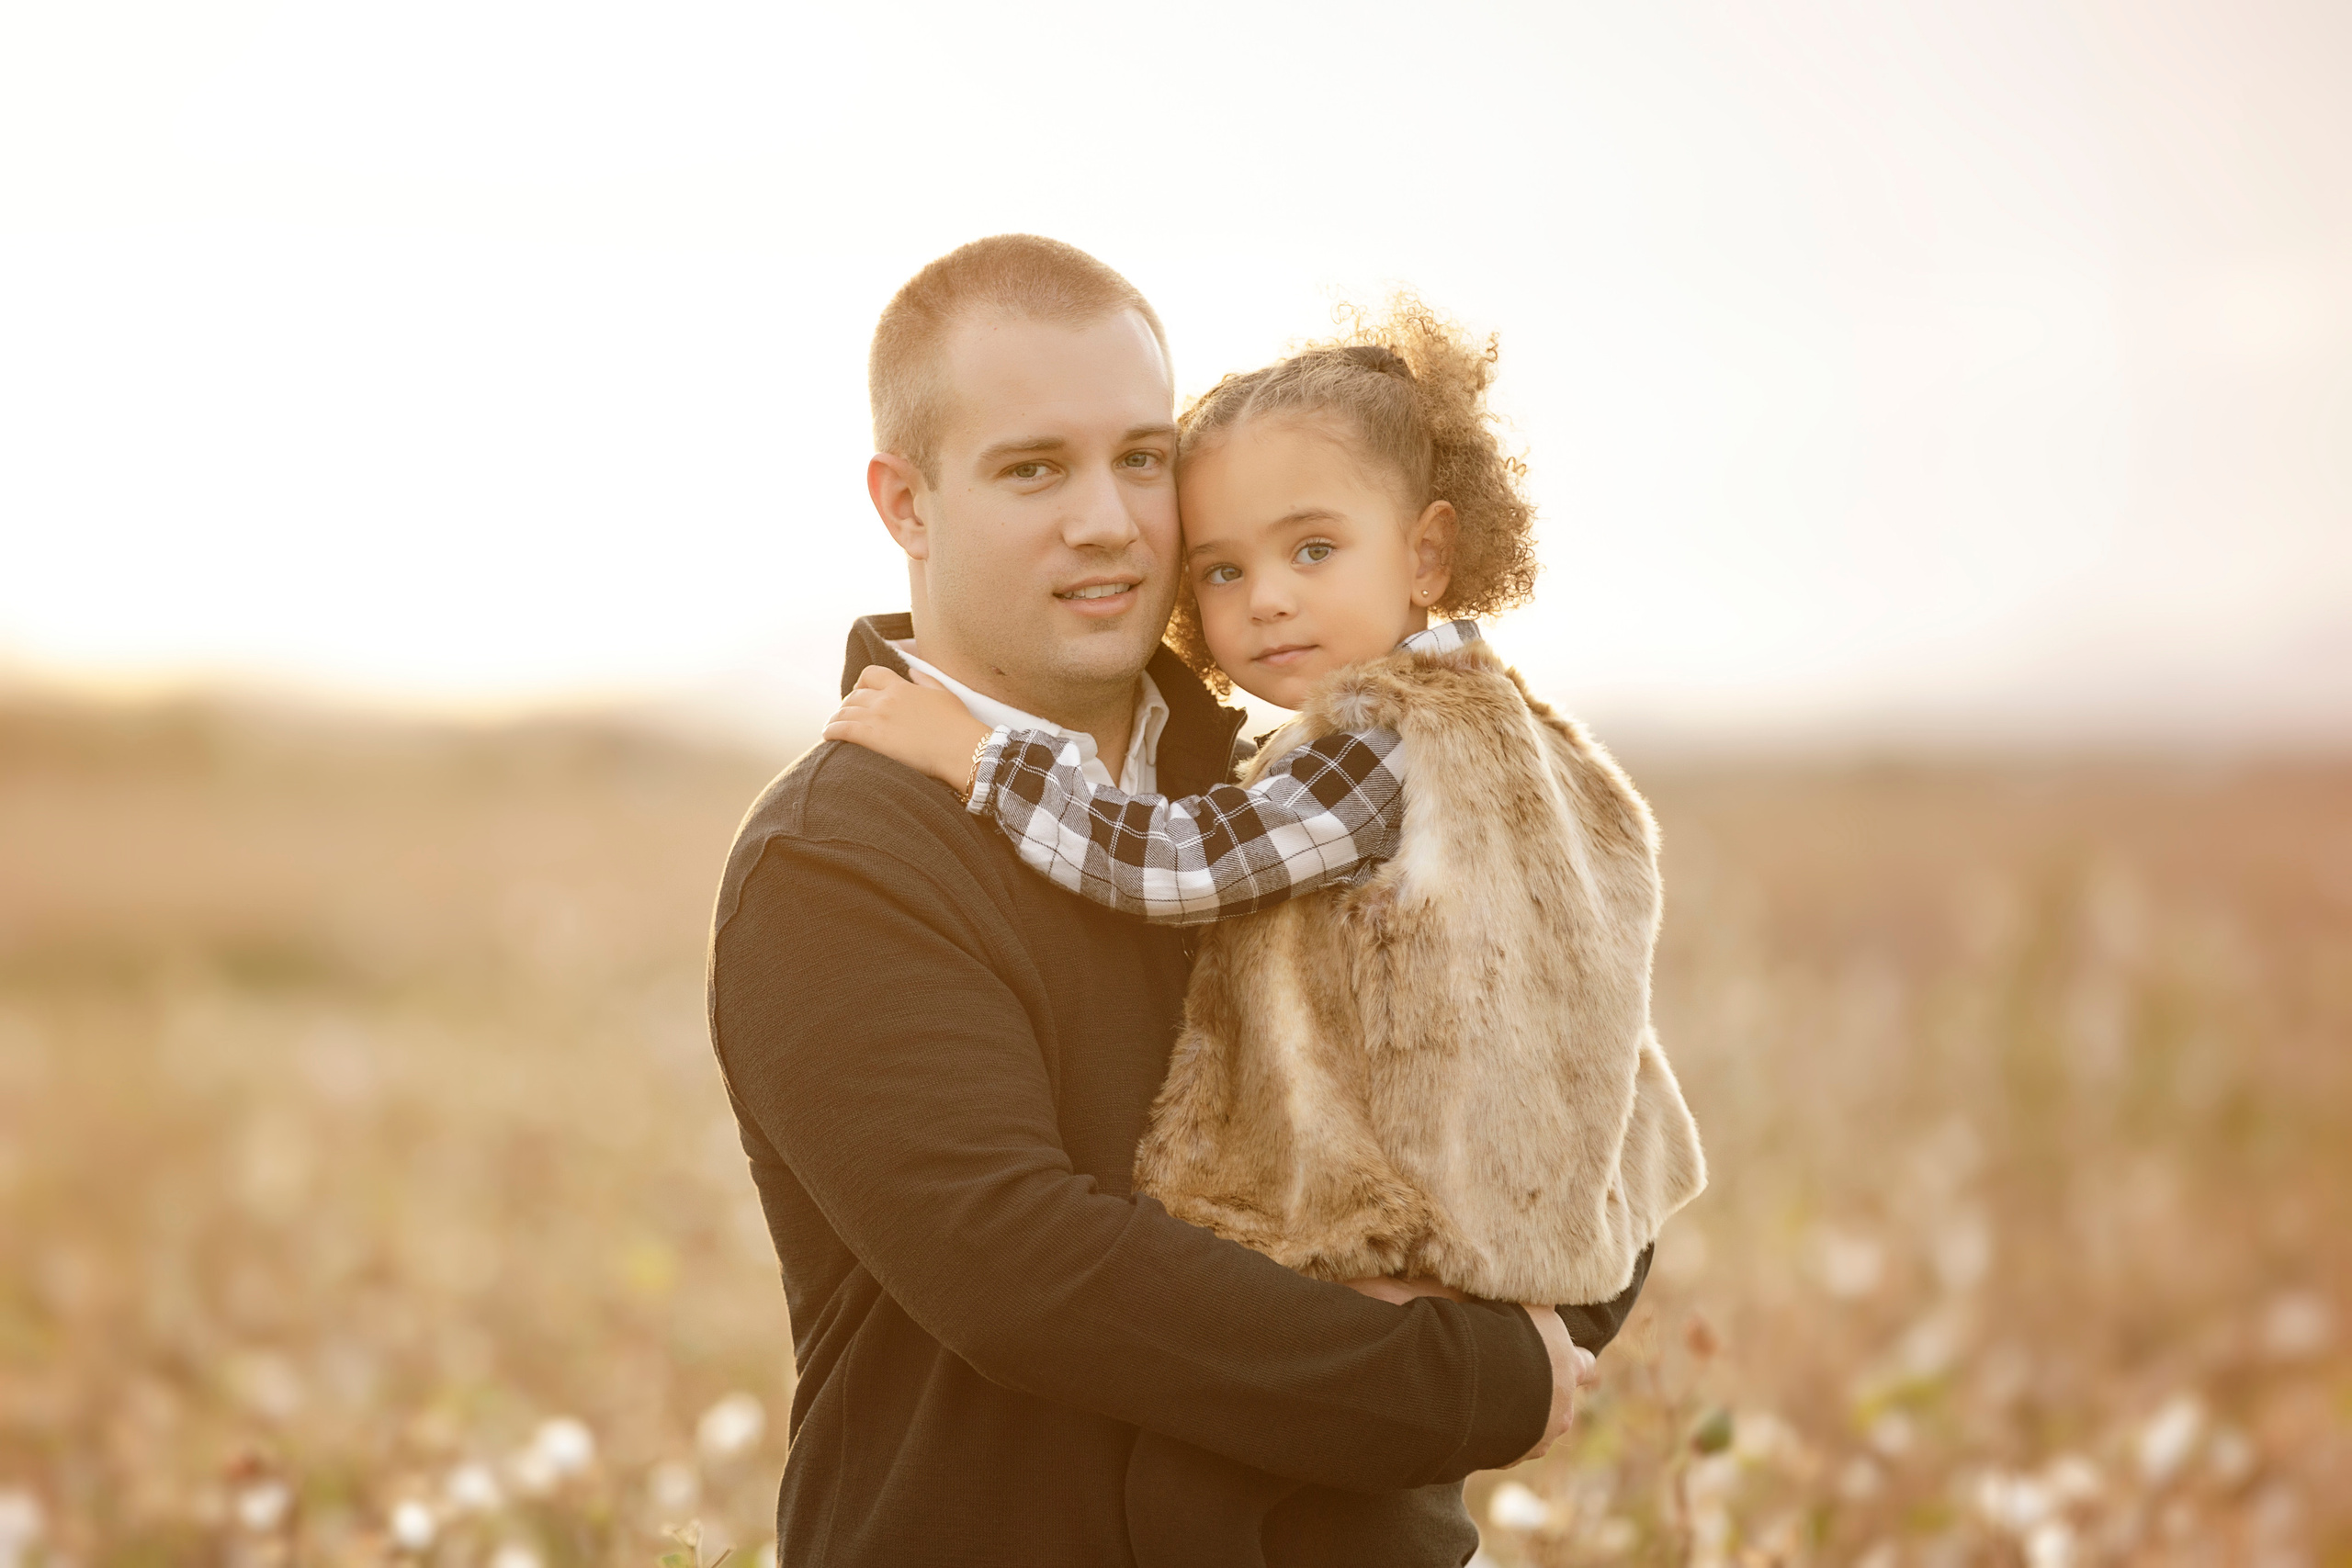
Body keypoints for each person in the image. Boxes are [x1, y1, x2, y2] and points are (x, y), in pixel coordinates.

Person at [709, 238, 1626, 1568]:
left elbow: (1594, 1094)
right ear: (904, 504)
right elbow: (1025, 1274)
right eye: (1034, 469)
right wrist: (1472, 1376)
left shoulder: (1299, 785)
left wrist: (1559, 1318)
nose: (1110, 520)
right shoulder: (838, 856)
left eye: (1143, 457)